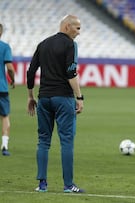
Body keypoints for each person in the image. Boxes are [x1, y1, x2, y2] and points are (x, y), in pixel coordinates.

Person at [27, 15, 85, 193]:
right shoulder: (70, 45)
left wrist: (30, 96)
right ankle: (68, 185)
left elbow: (31, 71)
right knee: (66, 141)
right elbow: (71, 73)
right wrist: (79, 97)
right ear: (67, 26)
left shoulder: (43, 43)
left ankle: (42, 184)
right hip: (63, 98)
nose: (79, 32)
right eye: (77, 28)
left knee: (43, 141)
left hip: (44, 98)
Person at [0, 23, 15, 156]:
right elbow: (9, 67)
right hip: (1, 88)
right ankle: (4, 146)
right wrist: (13, 79)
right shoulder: (4, 47)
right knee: (5, 116)